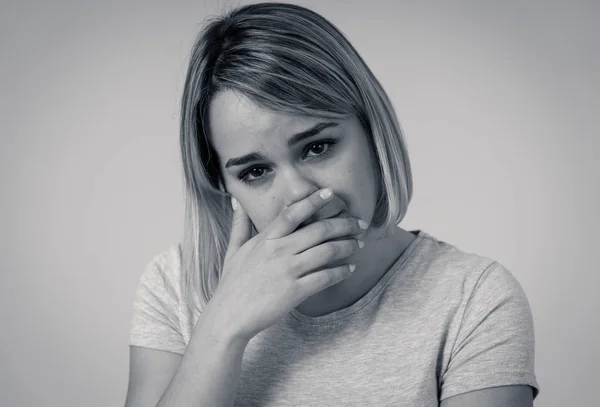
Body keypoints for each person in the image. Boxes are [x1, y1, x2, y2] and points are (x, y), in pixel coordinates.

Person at [125, 3, 539, 406]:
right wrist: (221, 330)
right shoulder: (176, 285)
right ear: (223, 185)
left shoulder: (475, 298)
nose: (298, 193)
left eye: (317, 147)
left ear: (371, 130)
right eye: (254, 172)